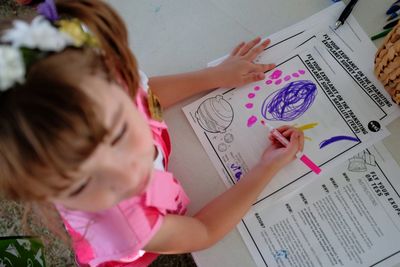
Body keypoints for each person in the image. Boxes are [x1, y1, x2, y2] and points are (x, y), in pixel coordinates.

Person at [0, 0, 304, 266]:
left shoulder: (104, 85)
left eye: (119, 133)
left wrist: (214, 75)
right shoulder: (125, 223)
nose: (127, 173)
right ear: (39, 191)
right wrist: (266, 168)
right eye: (81, 183)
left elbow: (148, 97)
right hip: (151, 228)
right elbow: (202, 232)